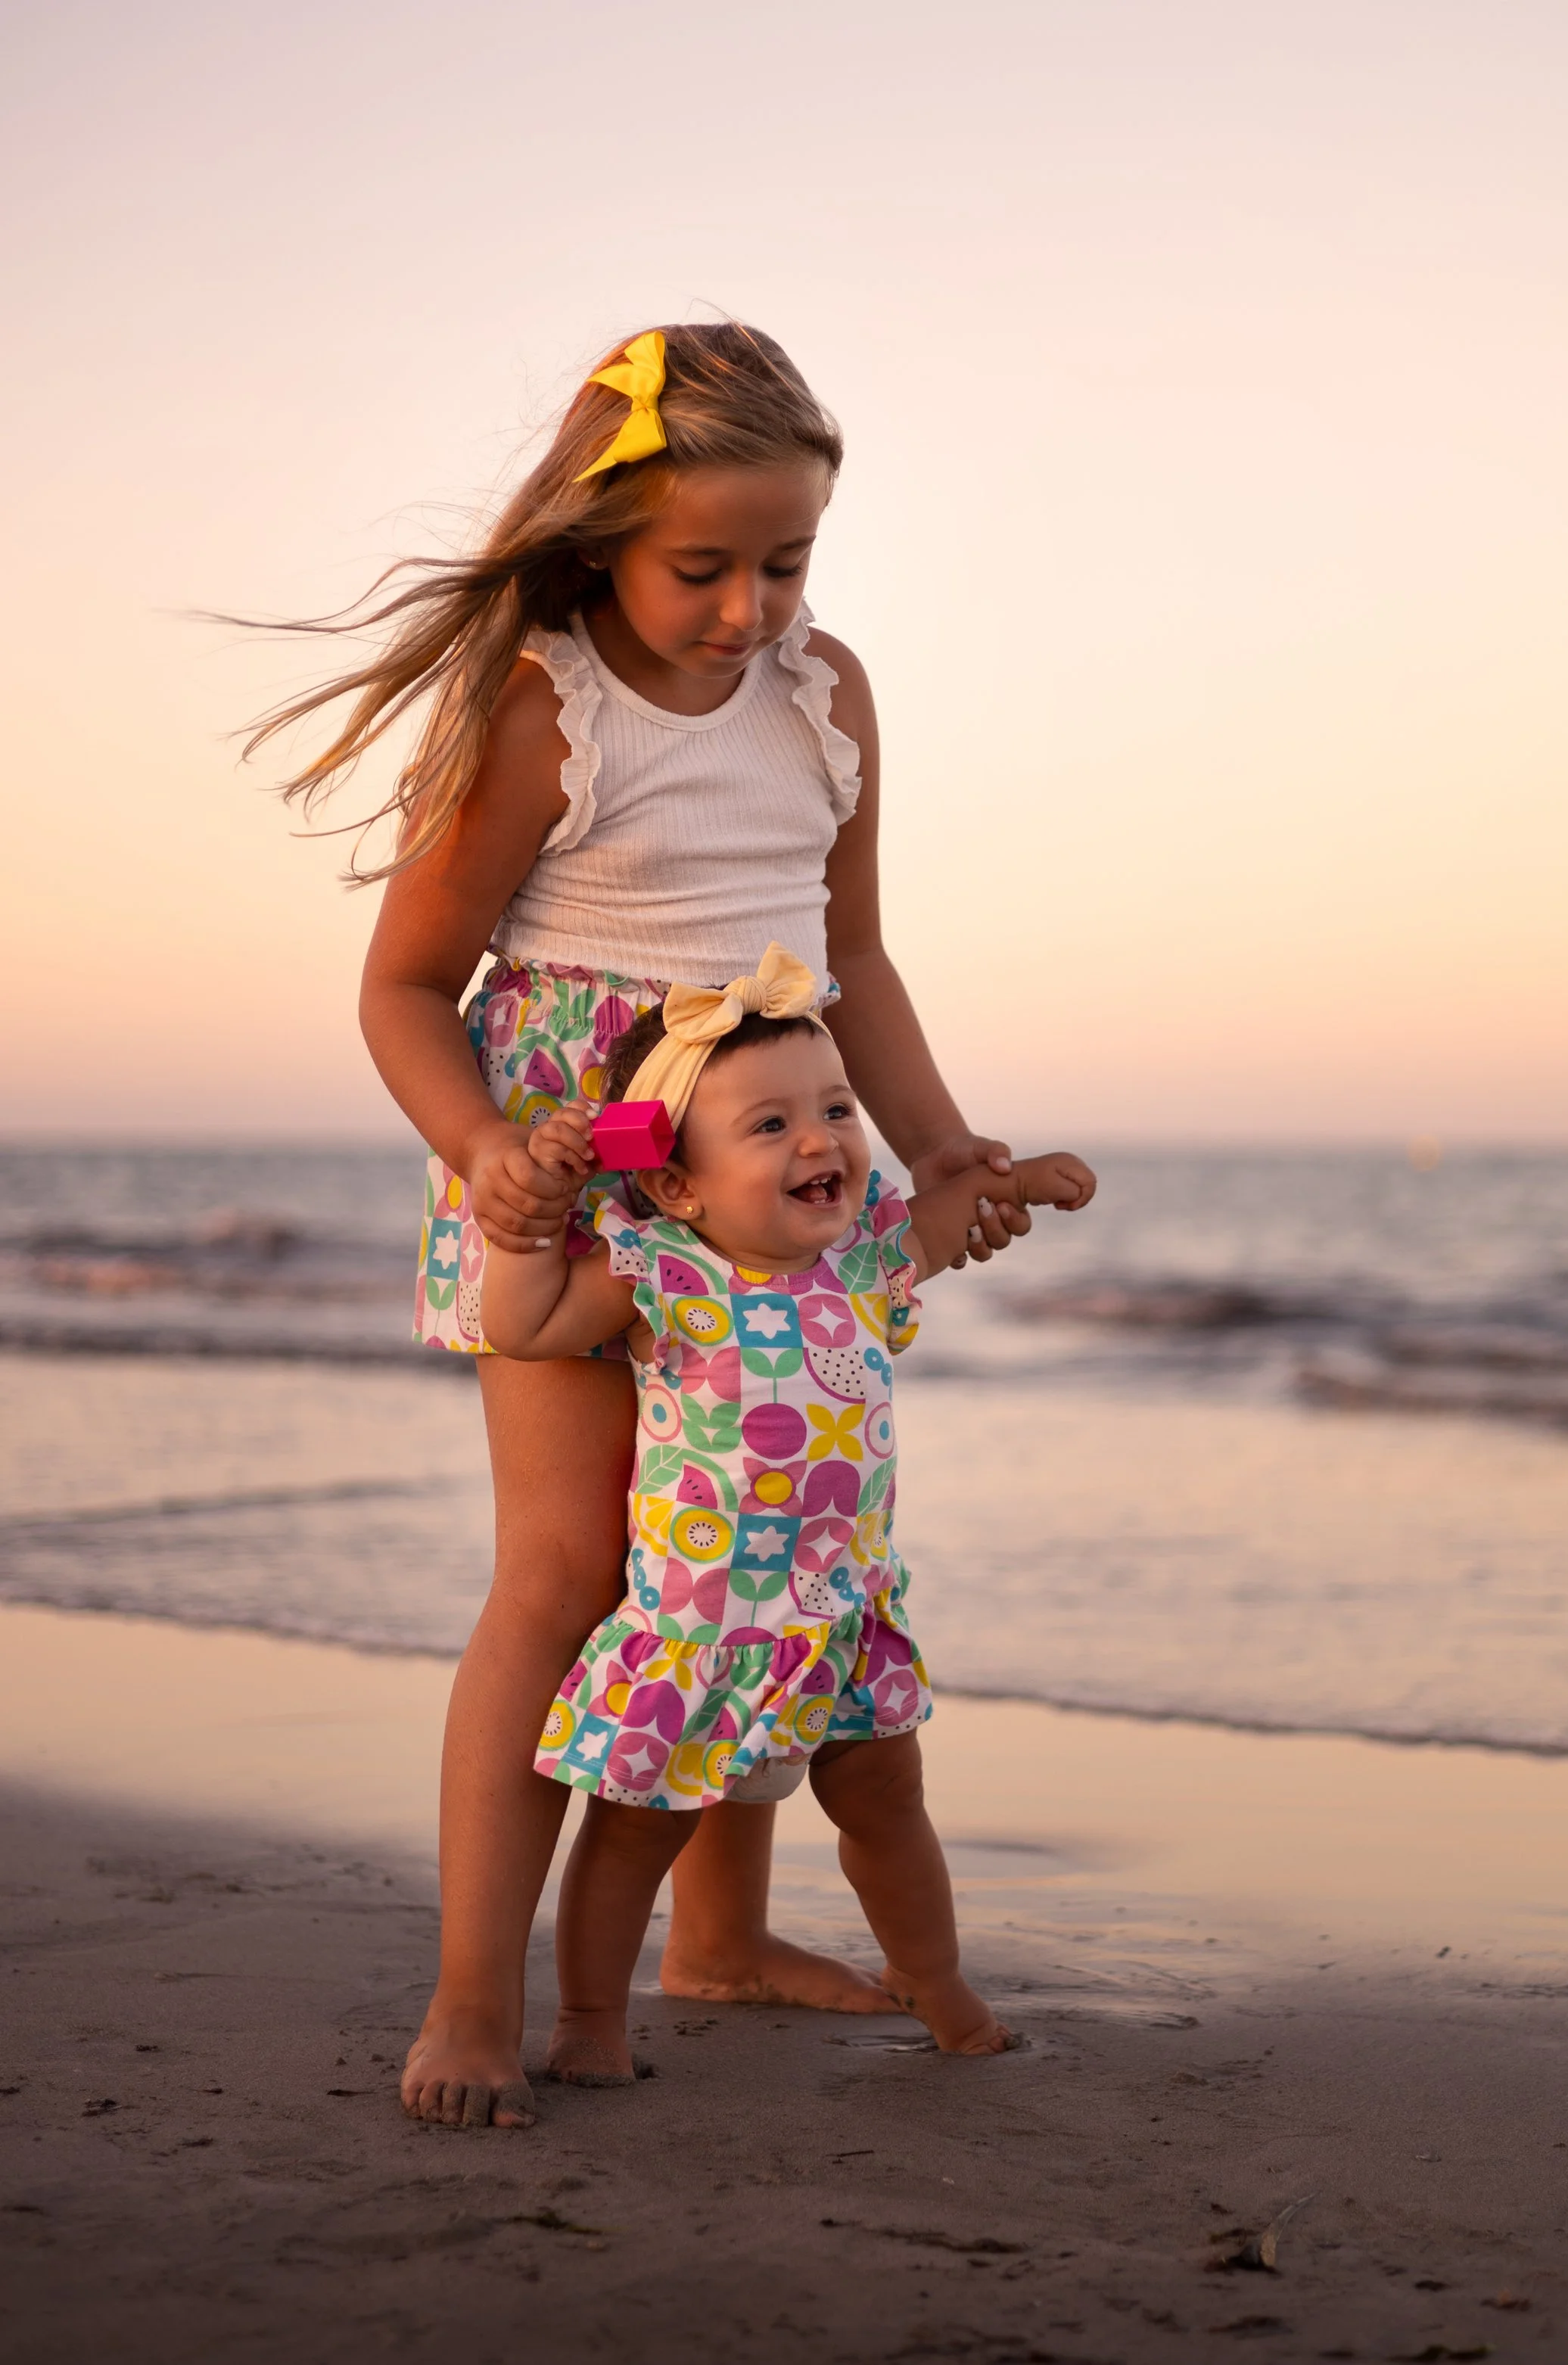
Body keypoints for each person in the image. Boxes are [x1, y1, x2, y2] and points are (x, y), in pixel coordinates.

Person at [247, 322, 1028, 2127]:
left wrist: (934, 1149)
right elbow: (405, 983)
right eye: (705, 566)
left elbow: (858, 956)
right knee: (575, 1569)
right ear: (603, 534)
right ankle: (470, 1995)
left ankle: (721, 1938)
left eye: (788, 559)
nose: (750, 606)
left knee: (747, 1532)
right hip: (581, 1181)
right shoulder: (545, 702)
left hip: (760, 1165)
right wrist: (482, 1148)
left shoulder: (827, 695)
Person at [481, 950, 1096, 2069]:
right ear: (677, 1183)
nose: (822, 1140)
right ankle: (588, 2019)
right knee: (635, 1833)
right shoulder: (663, 1270)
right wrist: (532, 1220)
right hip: (698, 1630)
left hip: (843, 1617)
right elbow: (527, 1328)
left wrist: (1018, 1179)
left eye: (836, 1108)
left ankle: (933, 1975)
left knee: (890, 1802)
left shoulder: (861, 1261)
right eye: (769, 1127)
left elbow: (949, 1216)